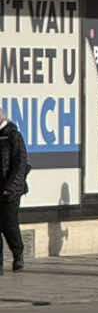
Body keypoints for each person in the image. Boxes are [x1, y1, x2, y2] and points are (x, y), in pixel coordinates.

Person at [0, 109, 29, 273]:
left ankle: (18, 254)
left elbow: (20, 164)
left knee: (9, 224)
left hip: (11, 190)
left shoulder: (13, 135)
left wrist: (10, 188)